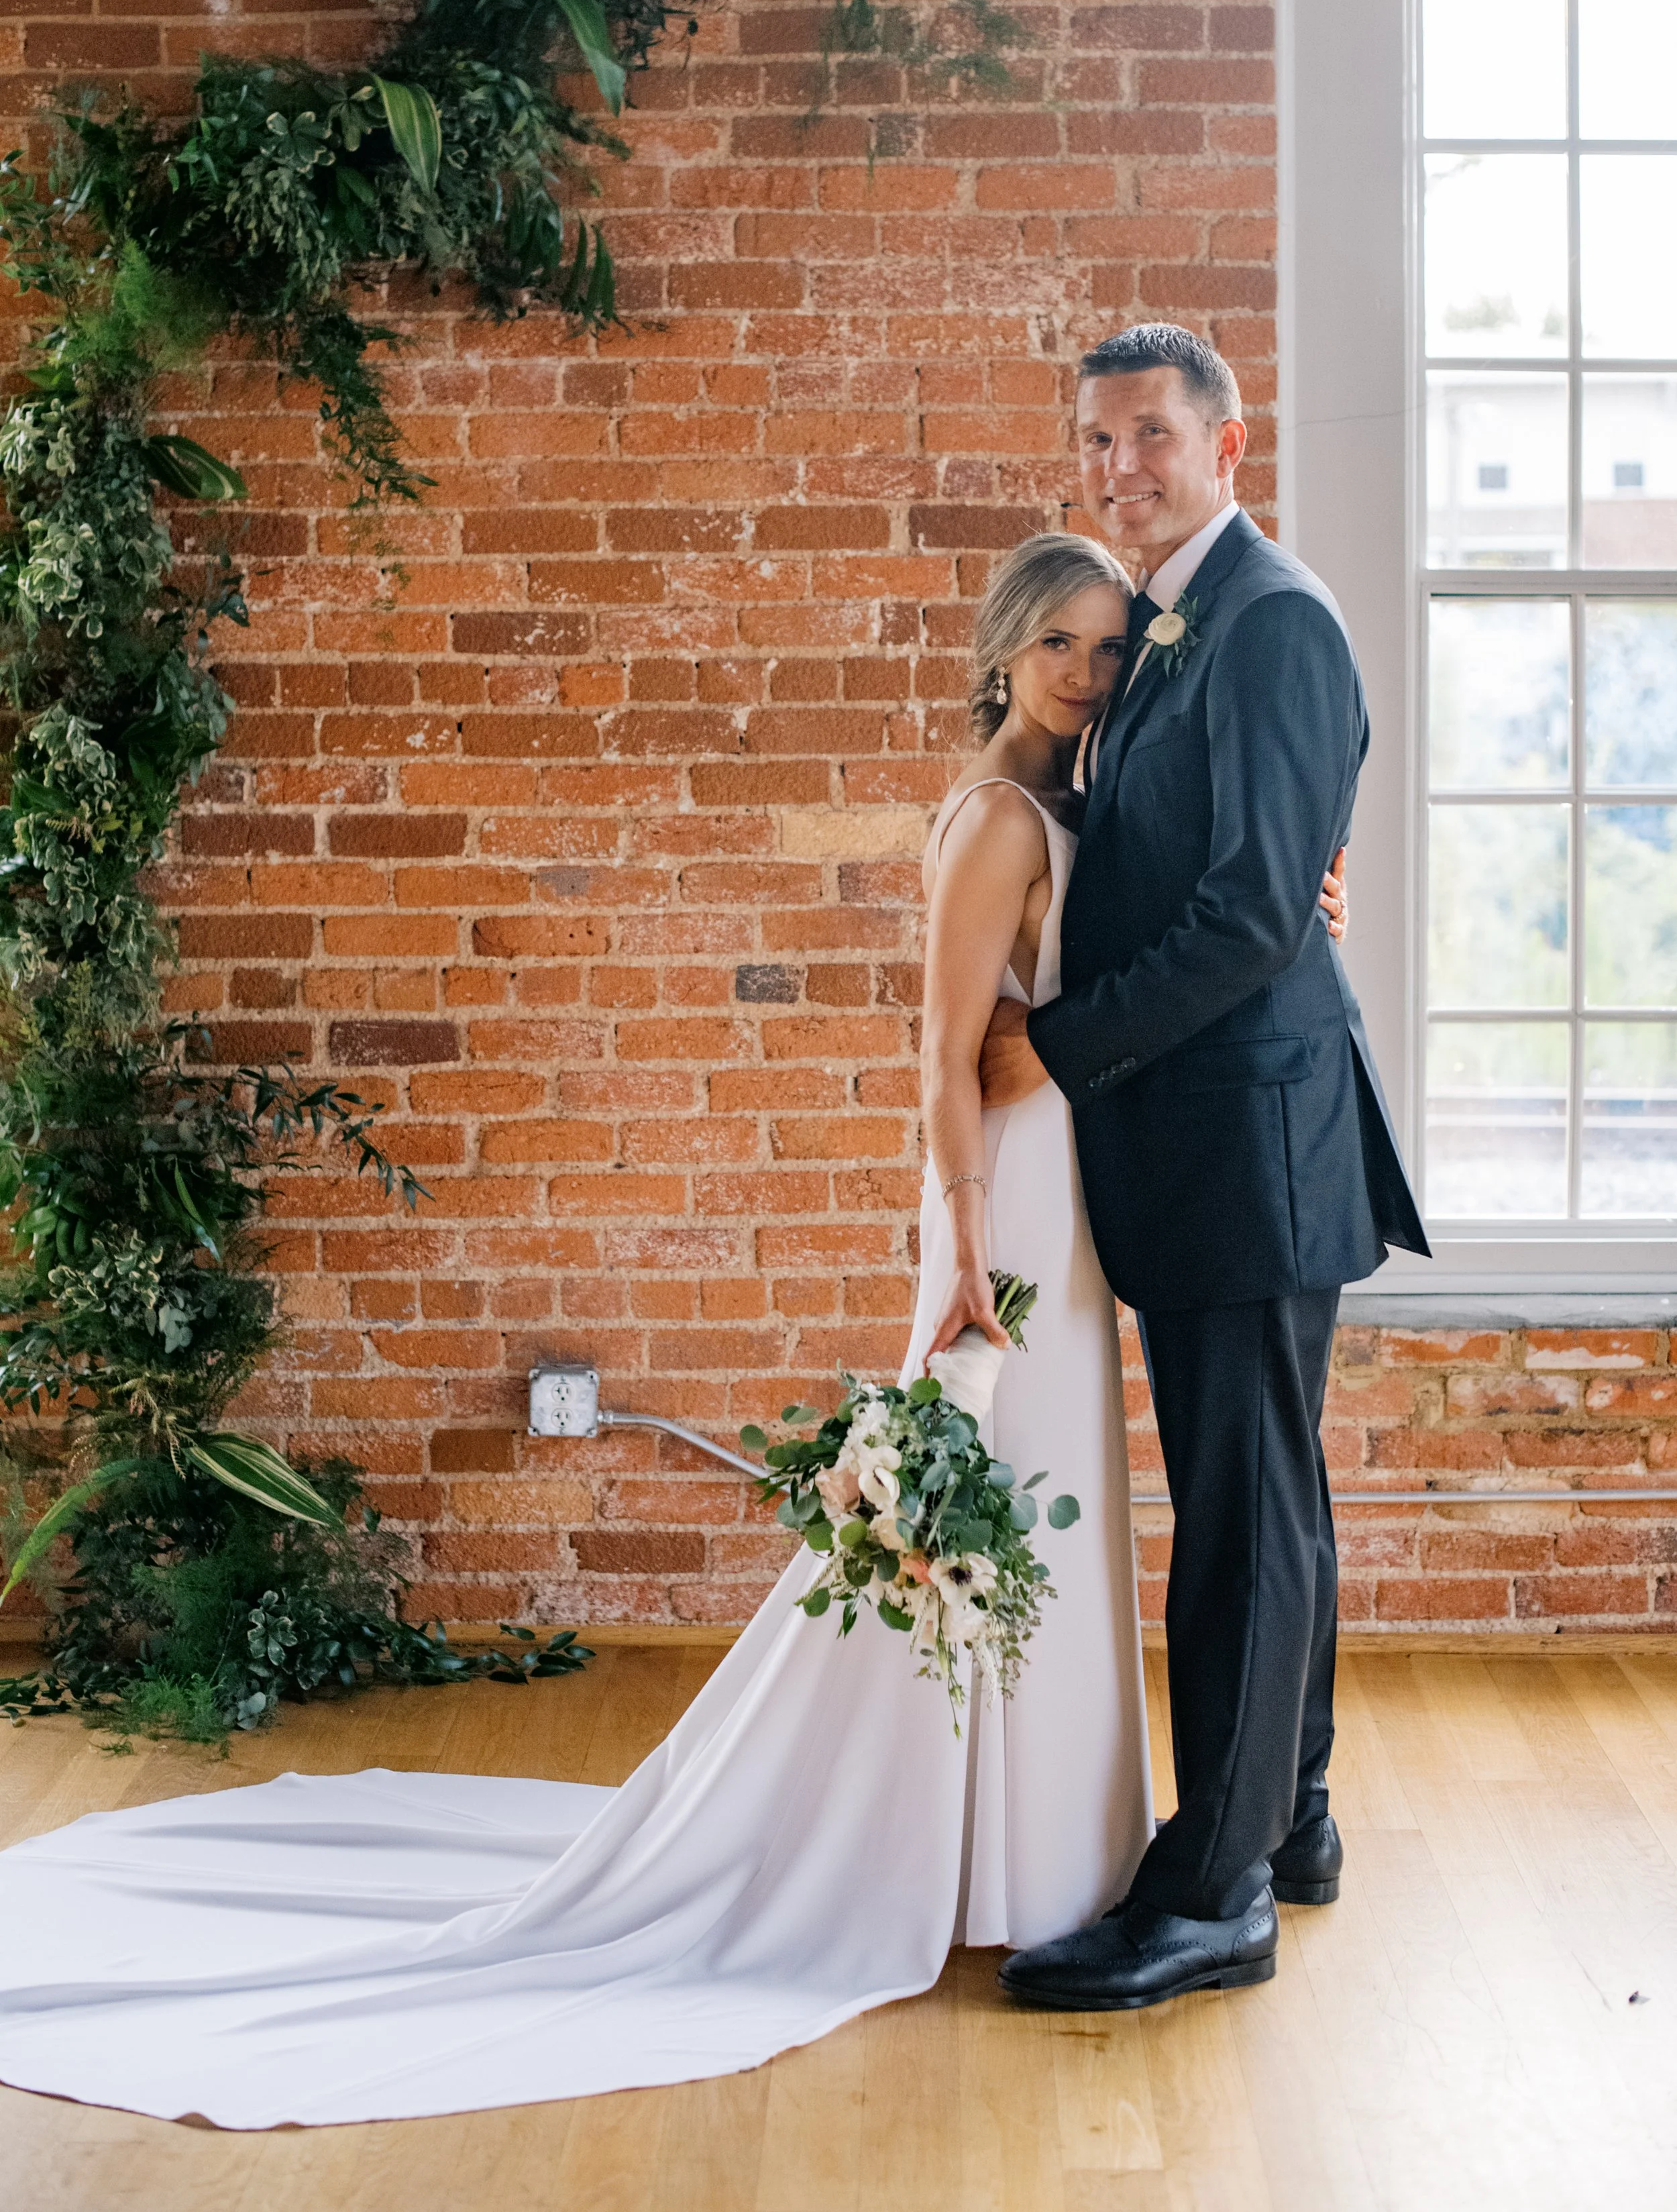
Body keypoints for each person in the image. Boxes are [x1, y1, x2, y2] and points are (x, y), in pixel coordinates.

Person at [0, 515, 1356, 2130]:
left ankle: (1046, 1846)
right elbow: (937, 1060)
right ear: (998, 649)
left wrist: (1298, 913)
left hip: (1075, 1190)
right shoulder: (997, 813)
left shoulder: (1085, 793)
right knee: (996, 1514)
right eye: (1055, 642)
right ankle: (939, 1844)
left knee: (1051, 1532)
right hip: (1007, 1200)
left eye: (1105, 648)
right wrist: (958, 1253)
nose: (1083, 671)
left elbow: (1218, 893)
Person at [984, 322, 1428, 2015]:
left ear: (1225, 446)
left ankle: (1215, 1889)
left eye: (1150, 437)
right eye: (1096, 441)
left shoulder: (1270, 618)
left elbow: (1249, 914)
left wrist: (1059, 1040)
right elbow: (1240, 854)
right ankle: (1292, 1817)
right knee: (1269, 1496)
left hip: (1248, 1134)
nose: (1117, 467)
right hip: (1220, 1131)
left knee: (1240, 1519)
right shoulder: (1171, 625)